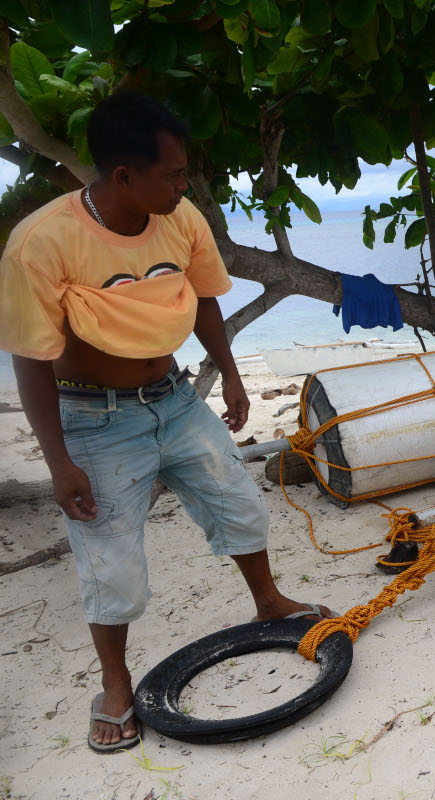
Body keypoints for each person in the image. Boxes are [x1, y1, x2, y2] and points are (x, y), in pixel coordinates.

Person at [0, 92, 335, 753]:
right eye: (173, 175)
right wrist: (58, 459)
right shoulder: (41, 243)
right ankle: (117, 684)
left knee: (240, 504)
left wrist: (231, 374)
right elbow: (31, 359)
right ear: (124, 176)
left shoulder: (180, 219)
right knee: (111, 565)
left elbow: (205, 297)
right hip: (93, 418)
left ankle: (268, 603)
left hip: (174, 401)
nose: (184, 186)